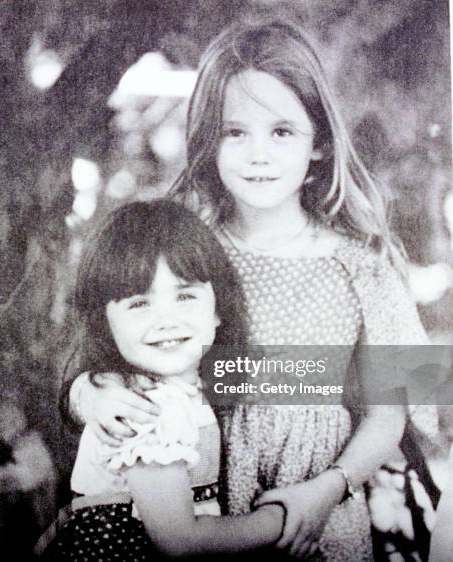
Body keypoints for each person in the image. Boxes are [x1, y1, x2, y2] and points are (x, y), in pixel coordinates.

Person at [68, 19, 438, 561]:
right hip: (206, 504)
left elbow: (394, 408)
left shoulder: (366, 265)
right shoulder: (185, 255)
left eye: (282, 131)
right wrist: (89, 396)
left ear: (319, 143)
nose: (258, 154)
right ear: (208, 141)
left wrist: (327, 489)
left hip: (324, 509)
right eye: (234, 132)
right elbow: (100, 353)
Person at [45, 199, 287, 561]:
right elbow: (179, 538)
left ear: (218, 308)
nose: (166, 320)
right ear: (104, 324)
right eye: (140, 304)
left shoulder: (193, 390)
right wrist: (276, 521)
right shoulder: (148, 409)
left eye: (185, 295)